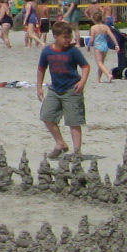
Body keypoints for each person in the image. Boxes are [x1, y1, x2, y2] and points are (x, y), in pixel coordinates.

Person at [37, 20, 90, 159]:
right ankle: (60, 143)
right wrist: (39, 87)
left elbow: (85, 66)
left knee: (74, 121)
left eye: (69, 37)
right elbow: (41, 69)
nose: (68, 40)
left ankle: (77, 151)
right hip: (54, 89)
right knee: (46, 116)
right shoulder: (47, 51)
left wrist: (82, 82)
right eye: (65, 37)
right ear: (55, 36)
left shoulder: (73, 51)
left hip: (72, 89)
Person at [85, 7, 120, 82]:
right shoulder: (106, 27)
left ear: (94, 19)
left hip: (98, 46)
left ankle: (108, 75)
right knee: (101, 63)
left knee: (99, 63)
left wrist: (88, 46)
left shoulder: (93, 27)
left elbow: (91, 39)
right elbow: (112, 36)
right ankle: (98, 79)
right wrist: (116, 45)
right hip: (105, 45)